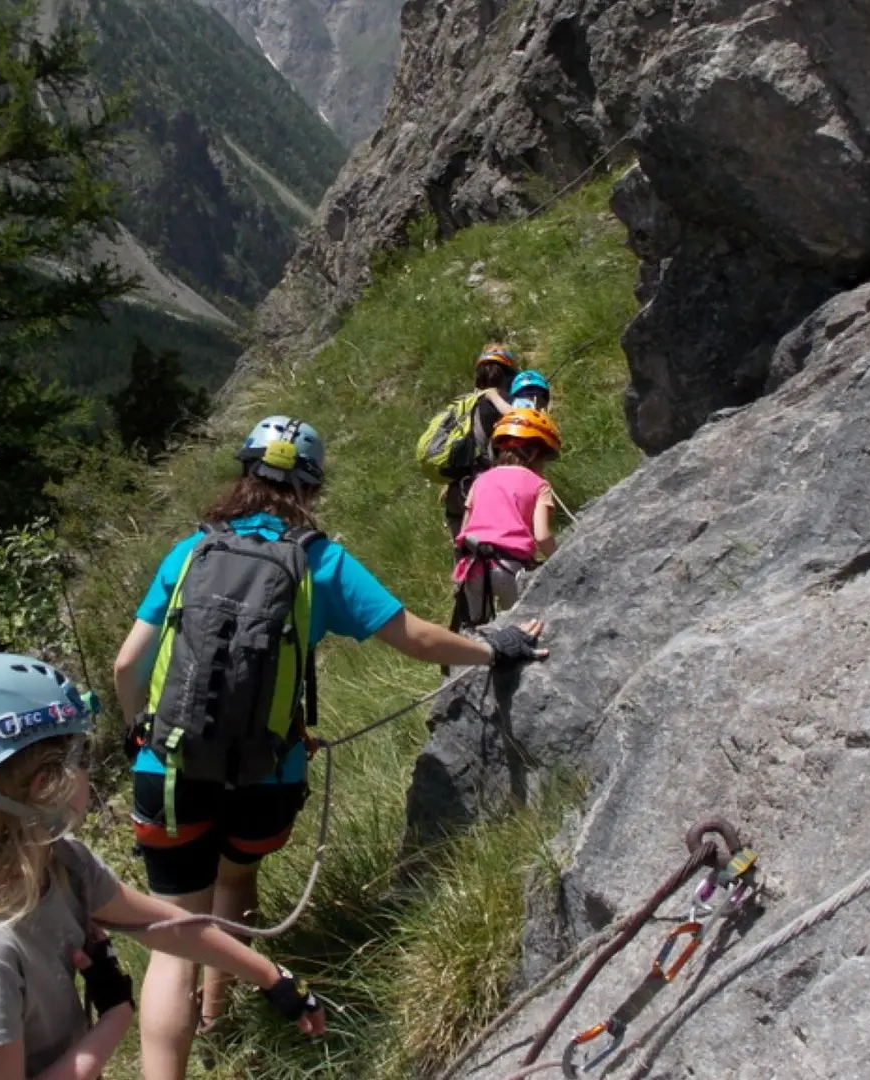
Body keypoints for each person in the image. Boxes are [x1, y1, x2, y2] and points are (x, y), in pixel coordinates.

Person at [112, 415, 547, 1080]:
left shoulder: (190, 552)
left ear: (243, 475)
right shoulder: (321, 563)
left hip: (167, 770)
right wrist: (496, 648)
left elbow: (126, 666)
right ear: (310, 490)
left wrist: (138, 727)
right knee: (238, 876)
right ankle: (218, 1010)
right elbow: (416, 638)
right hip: (267, 775)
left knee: (174, 941)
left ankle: (186, 1047)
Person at [0, 653, 327, 1080]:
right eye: (79, 755)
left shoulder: (61, 863)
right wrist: (115, 1016)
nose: (89, 767)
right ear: (44, 784)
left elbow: (168, 926)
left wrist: (272, 977)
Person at [452, 408, 561, 629]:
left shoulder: (480, 481)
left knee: (477, 632)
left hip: (472, 565)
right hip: (510, 566)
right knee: (521, 629)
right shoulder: (539, 485)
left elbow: (463, 530)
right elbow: (542, 535)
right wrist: (560, 561)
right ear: (532, 454)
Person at [442, 344, 521, 540]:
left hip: (455, 492)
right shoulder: (502, 401)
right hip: (485, 491)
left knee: (464, 563)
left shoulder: (464, 405)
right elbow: (521, 422)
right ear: (509, 376)